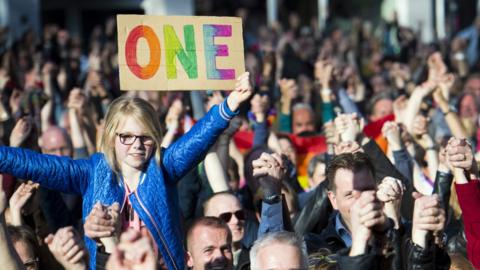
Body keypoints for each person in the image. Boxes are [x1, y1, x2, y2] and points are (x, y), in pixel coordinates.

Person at [0, 72, 253, 269]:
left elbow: (197, 139)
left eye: (145, 137)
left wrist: (230, 103)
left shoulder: (163, 166)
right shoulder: (92, 171)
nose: (137, 145)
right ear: (111, 137)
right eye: (127, 137)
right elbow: (35, 164)